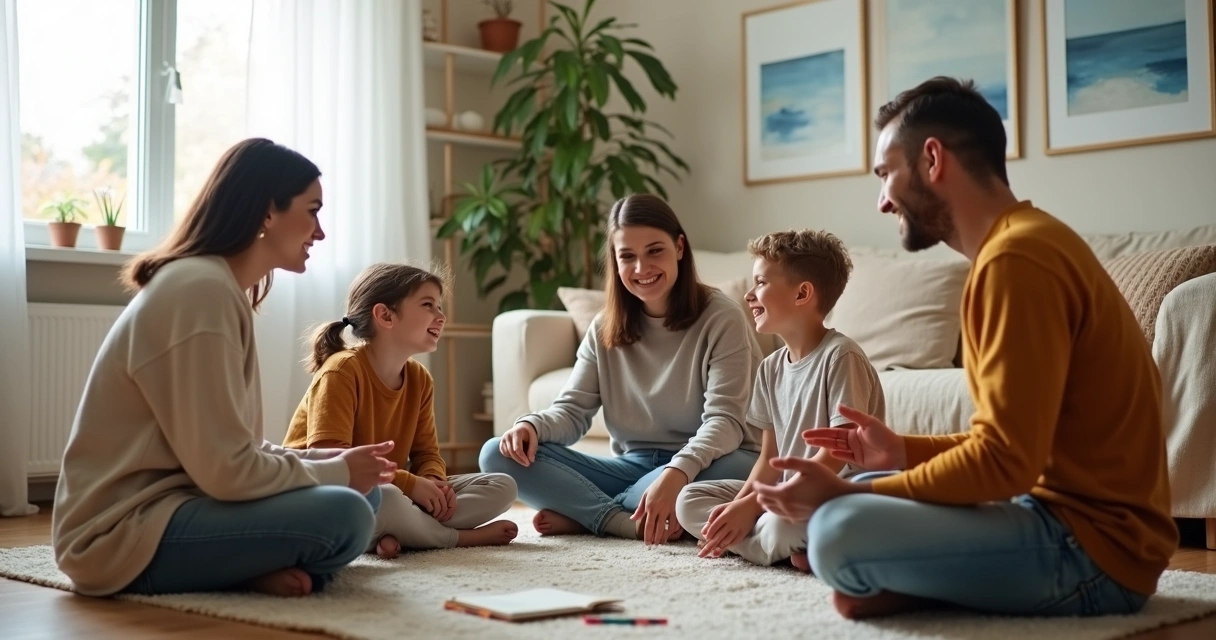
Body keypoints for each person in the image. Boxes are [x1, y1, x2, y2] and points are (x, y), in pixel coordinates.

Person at [753, 77, 1178, 619]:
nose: (882, 201)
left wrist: (838, 501)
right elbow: (1014, 442)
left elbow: (1006, 464)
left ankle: (898, 568)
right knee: (857, 483)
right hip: (1052, 514)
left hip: (1096, 553)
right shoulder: (1021, 242)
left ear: (932, 159)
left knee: (835, 525)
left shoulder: (1015, 262)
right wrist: (900, 452)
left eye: (886, 175)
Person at [51, 138, 399, 598]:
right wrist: (335, 472)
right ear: (266, 212)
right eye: (312, 210)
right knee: (347, 515)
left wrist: (330, 461)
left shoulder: (216, 287)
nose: (320, 232)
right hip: (119, 533)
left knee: (364, 493)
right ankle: (241, 570)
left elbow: (236, 452)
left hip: (184, 501)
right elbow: (228, 473)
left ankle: (242, 568)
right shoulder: (199, 292)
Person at [480, 193, 763, 545]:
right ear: (615, 261)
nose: (642, 268)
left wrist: (677, 471)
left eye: (654, 250)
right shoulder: (604, 328)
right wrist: (531, 426)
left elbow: (726, 423)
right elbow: (572, 412)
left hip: (712, 461)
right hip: (633, 466)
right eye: (627, 256)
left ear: (679, 247)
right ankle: (618, 519)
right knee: (496, 455)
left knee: (729, 473)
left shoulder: (723, 317)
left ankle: (587, 514)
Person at [675, 229, 884, 569]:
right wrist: (740, 506)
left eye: (760, 282)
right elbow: (769, 459)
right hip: (783, 496)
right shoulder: (770, 368)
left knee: (780, 523)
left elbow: (834, 457)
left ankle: (763, 544)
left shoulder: (841, 356)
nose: (749, 295)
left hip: (837, 494)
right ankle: (787, 548)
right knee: (689, 500)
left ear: (802, 293)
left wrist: (753, 506)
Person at [283, 262, 519, 559]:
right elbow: (333, 460)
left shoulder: (420, 379)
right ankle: (453, 538)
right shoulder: (341, 372)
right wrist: (410, 484)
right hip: (327, 496)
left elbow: (427, 454)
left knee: (502, 485)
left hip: (390, 491)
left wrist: (432, 481)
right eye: (428, 305)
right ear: (385, 315)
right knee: (391, 499)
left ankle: (395, 534)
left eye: (439, 306)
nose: (441, 316)